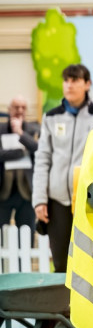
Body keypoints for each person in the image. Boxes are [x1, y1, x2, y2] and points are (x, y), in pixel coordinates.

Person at [32, 64, 93, 272]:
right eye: (66, 80)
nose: (69, 85)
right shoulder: (51, 117)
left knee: (90, 264)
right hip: (57, 202)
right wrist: (39, 199)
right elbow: (42, 159)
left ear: (87, 84)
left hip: (89, 201)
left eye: (75, 80)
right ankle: (64, 306)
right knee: (61, 265)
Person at [0, 96, 40, 229]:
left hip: (26, 192)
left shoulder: (34, 128)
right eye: (16, 107)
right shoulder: (1, 129)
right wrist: (22, 152)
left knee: (27, 232)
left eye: (23, 107)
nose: (20, 110)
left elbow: (38, 149)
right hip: (3, 191)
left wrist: (19, 132)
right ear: (9, 109)